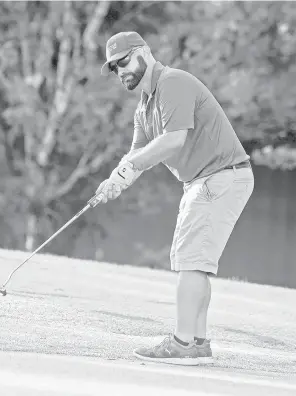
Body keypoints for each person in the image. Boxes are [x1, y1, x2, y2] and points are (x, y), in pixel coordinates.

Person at [97, 31, 254, 366]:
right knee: (195, 263)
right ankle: (196, 342)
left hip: (220, 175)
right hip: (207, 180)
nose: (120, 71)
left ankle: (183, 344)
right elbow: (137, 155)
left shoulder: (173, 83)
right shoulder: (144, 109)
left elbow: (173, 141)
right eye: (114, 68)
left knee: (190, 262)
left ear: (144, 53)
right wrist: (113, 181)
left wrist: (131, 166)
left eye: (124, 61)